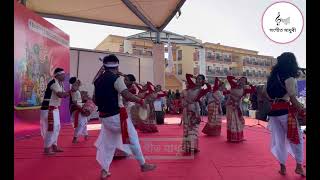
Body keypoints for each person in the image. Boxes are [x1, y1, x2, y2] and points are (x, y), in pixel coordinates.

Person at [93, 55, 156, 179]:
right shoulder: (116, 79)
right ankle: (143, 164)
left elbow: (94, 99)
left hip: (104, 117)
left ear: (105, 66)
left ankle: (104, 170)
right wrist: (141, 101)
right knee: (133, 138)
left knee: (108, 144)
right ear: (117, 65)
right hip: (117, 117)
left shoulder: (98, 80)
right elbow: (127, 95)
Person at [264, 52, 306, 176]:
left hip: (273, 112)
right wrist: (302, 109)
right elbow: (293, 99)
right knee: (296, 138)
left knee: (279, 140)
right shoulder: (290, 78)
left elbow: (266, 95)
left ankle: (282, 167)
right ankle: (298, 166)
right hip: (286, 113)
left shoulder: (272, 78)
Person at [40, 68, 70, 155]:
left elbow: (64, 95)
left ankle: (54, 146)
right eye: (63, 74)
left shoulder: (61, 84)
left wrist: (73, 91)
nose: (64, 76)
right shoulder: (53, 82)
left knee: (57, 128)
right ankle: (47, 148)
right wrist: (71, 91)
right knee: (51, 128)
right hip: (48, 109)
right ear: (57, 75)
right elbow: (60, 95)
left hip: (54, 109)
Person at [181, 74, 211, 153]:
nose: (198, 80)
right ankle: (187, 147)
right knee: (186, 128)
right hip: (187, 109)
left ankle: (193, 147)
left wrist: (205, 82)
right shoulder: (191, 85)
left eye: (200, 79)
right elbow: (187, 76)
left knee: (194, 127)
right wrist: (195, 77)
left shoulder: (202, 90)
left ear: (203, 81)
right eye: (197, 79)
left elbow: (209, 88)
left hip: (195, 109)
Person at [225, 75, 256, 143]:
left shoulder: (244, 90)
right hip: (230, 105)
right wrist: (236, 78)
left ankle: (239, 137)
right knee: (231, 121)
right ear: (239, 80)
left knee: (238, 121)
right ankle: (231, 138)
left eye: (244, 81)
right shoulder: (233, 85)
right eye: (241, 80)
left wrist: (250, 84)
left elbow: (253, 90)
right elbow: (228, 77)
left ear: (245, 83)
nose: (242, 82)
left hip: (237, 106)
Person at [69, 77, 89, 143]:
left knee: (84, 122)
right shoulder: (74, 90)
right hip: (77, 109)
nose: (79, 81)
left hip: (80, 107)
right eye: (77, 80)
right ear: (75, 82)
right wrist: (81, 109)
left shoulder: (76, 89)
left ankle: (86, 135)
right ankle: (75, 138)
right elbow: (75, 102)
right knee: (80, 124)